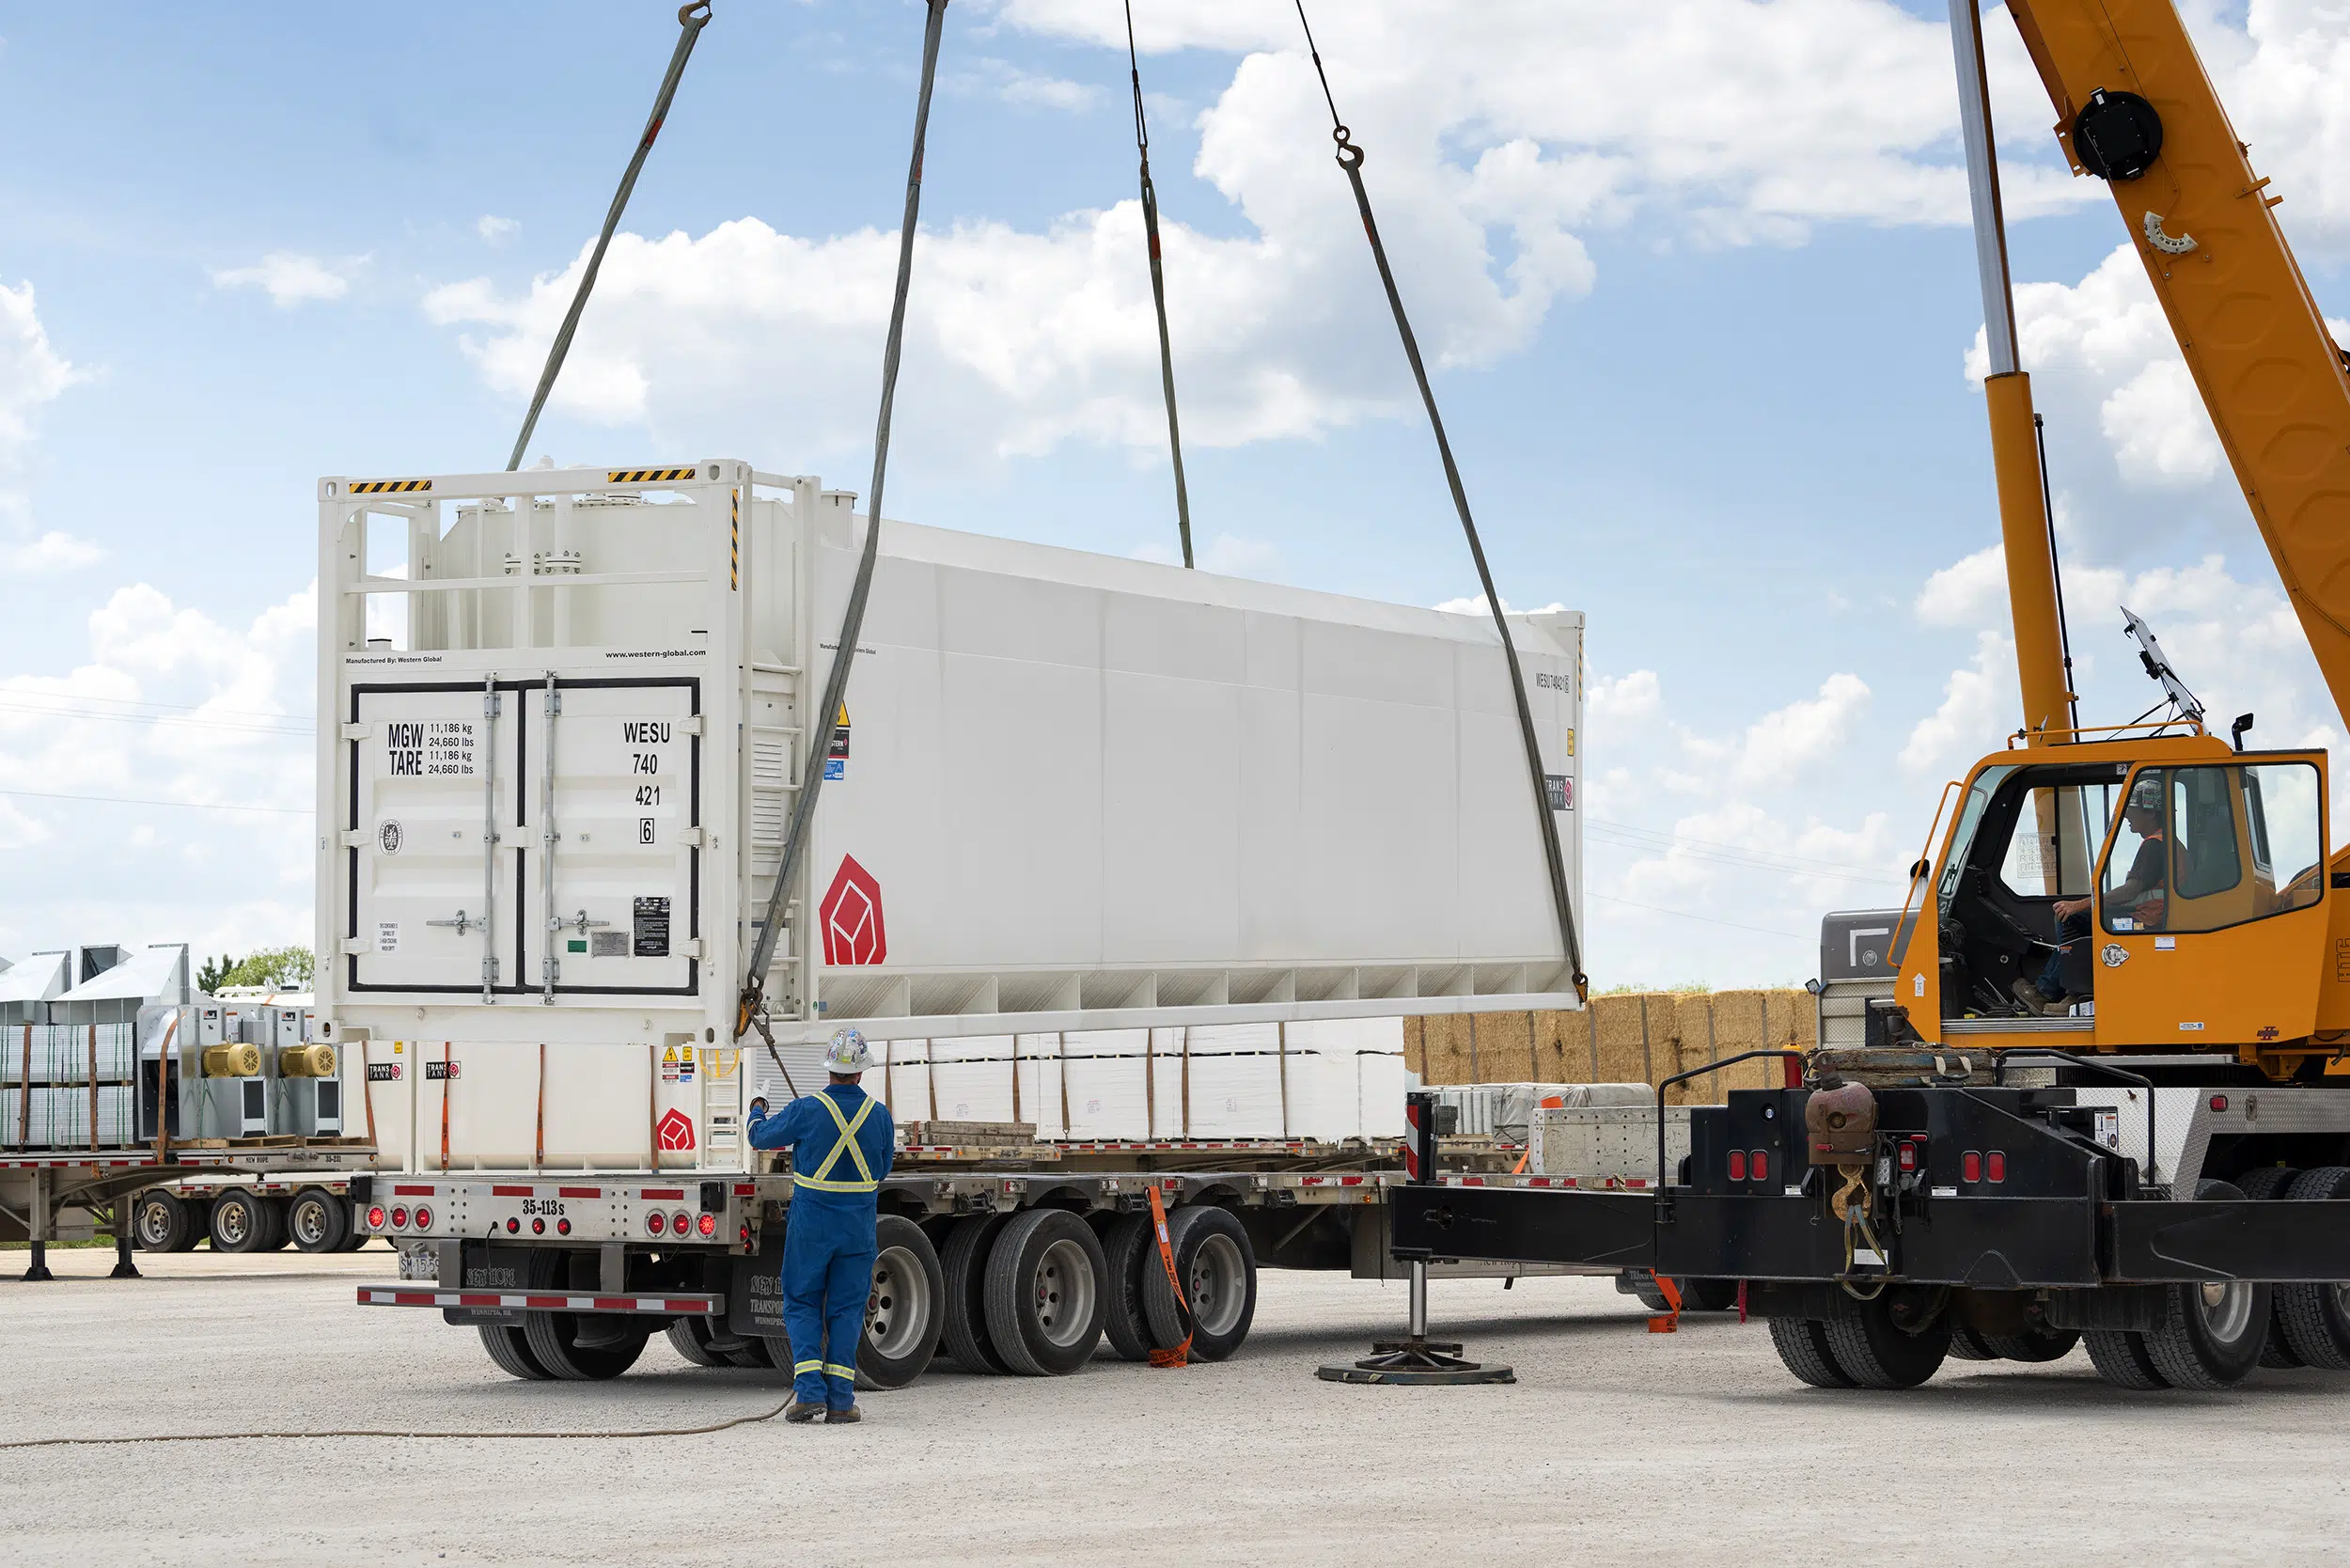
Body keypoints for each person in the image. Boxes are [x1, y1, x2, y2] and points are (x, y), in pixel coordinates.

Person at [745, 1027, 894, 1424]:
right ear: (862, 1073)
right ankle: (842, 1402)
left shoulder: (807, 1110)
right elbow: (881, 1169)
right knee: (847, 1309)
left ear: (829, 1069)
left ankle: (809, 1392)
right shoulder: (879, 1116)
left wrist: (757, 1104)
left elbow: (758, 1137)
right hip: (858, 1226)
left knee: (801, 1301)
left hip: (812, 1224)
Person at [2014, 778, 2167, 1015]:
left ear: (2151, 813)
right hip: (2151, 917)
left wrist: (2080, 905)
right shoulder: (2164, 844)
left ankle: (2063, 993)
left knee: (2069, 917)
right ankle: (2064, 990)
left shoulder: (2154, 847)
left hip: (2147, 922)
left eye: (2133, 810)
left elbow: (2130, 891)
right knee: (2079, 917)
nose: (2127, 816)